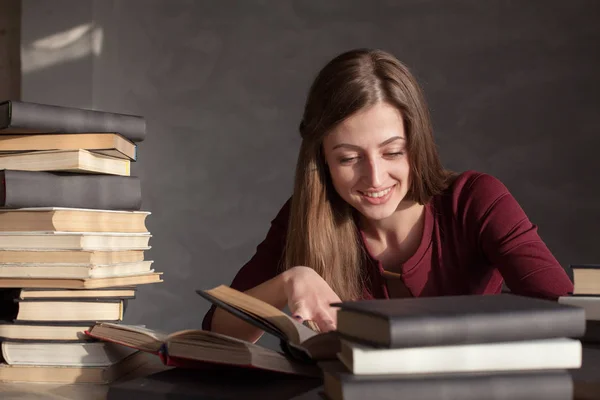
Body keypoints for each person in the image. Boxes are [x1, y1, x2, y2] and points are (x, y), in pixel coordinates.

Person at [202, 48, 573, 343]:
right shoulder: (305, 215)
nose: (375, 178)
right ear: (323, 160)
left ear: (417, 143)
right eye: (348, 158)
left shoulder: (475, 200)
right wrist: (289, 281)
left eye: (393, 152)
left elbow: (570, 319)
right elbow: (216, 335)